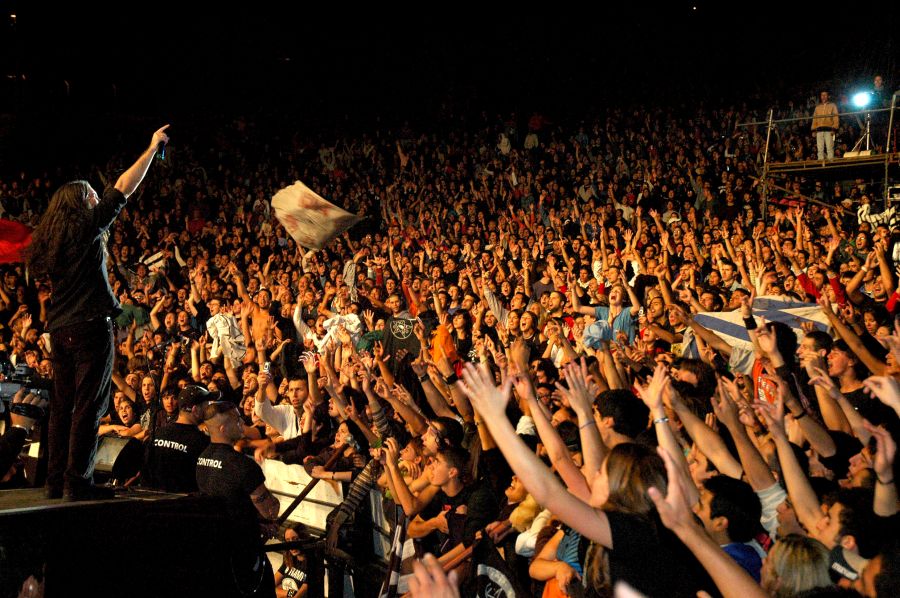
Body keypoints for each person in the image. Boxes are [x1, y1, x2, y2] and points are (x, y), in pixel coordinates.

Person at [27, 125, 169, 501]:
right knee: (89, 405)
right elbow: (123, 186)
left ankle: (54, 481)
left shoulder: (50, 240)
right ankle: (78, 482)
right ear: (79, 202)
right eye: (91, 193)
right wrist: (152, 149)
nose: (95, 197)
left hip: (59, 331)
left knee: (61, 406)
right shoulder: (86, 227)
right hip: (90, 327)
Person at [196, 399, 279, 596]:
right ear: (224, 428)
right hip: (244, 557)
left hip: (217, 552)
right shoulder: (242, 465)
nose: (242, 423)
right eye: (237, 420)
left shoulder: (201, 458)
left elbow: (225, 503)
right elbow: (270, 510)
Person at [142, 385, 212, 493]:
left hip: (149, 501)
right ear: (195, 410)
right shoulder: (201, 442)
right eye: (207, 406)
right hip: (180, 505)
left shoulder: (157, 434)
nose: (209, 411)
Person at [812, 91, 839, 160]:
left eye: (825, 95)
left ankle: (830, 163)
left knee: (829, 147)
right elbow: (815, 119)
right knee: (820, 149)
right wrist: (813, 130)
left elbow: (835, 118)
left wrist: (834, 128)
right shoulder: (817, 107)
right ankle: (821, 164)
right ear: (820, 97)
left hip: (829, 129)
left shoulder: (833, 105)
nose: (823, 97)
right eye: (822, 95)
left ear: (828, 96)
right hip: (819, 130)